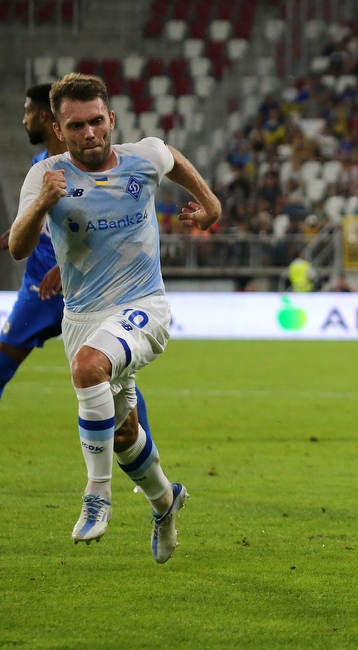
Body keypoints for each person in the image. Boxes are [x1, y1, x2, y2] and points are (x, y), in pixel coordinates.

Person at [8, 73, 220, 563]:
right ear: (59, 130)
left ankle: (96, 494)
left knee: (88, 367)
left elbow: (172, 157)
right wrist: (43, 204)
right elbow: (18, 247)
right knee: (123, 435)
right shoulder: (46, 177)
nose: (89, 133)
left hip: (146, 307)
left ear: (111, 119)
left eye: (96, 121)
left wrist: (210, 205)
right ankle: (165, 502)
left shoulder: (141, 158)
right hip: (84, 316)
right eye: (76, 125)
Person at [0, 84, 153, 439]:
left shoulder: (98, 168)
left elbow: (110, 229)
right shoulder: (40, 169)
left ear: (43, 117)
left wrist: (63, 267)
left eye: (26, 113)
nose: (23, 120)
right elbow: (31, 226)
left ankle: (143, 455)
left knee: (110, 376)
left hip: (88, 290)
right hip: (37, 290)